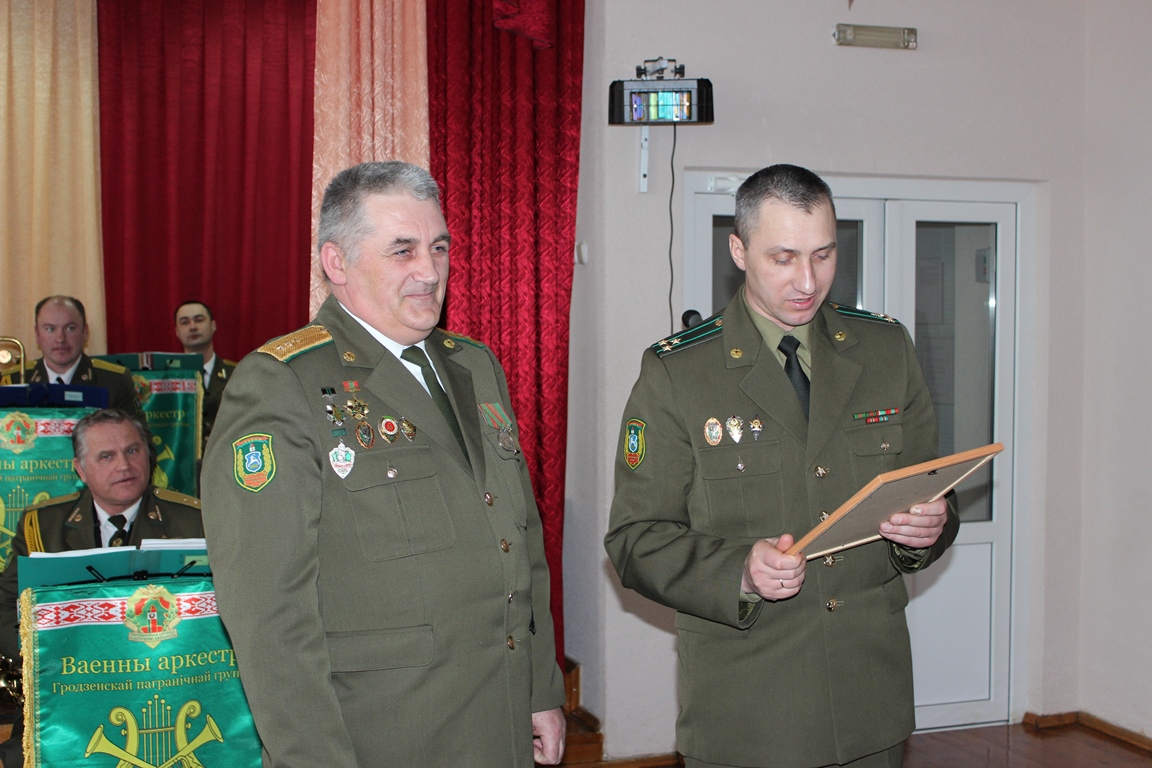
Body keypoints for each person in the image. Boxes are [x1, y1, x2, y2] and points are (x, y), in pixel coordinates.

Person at [200, 161, 565, 768]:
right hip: (384, 735)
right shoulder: (283, 383)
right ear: (337, 263)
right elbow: (269, 616)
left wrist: (539, 689)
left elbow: (522, 539)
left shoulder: (474, 365)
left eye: (438, 247)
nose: (430, 271)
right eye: (403, 251)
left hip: (498, 720)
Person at [604, 164, 959, 768]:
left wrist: (930, 528)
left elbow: (931, 489)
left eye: (823, 255)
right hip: (749, 709)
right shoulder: (678, 373)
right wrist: (738, 571)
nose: (808, 281)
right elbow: (635, 541)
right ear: (739, 251)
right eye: (783, 258)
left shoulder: (884, 349)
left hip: (868, 699)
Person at [0, 408, 203, 768]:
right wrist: (41, 657)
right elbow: (5, 605)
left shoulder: (194, 520)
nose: (124, 465)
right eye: (106, 456)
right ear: (80, 469)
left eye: (132, 450)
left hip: (169, 685)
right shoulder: (42, 526)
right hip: (69, 689)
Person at [0, 296, 138, 414]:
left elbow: (137, 435)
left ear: (85, 332)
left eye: (70, 328)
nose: (60, 339)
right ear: (37, 334)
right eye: (50, 329)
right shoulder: (13, 380)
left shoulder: (115, 382)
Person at [173, 300, 235, 448]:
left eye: (199, 320)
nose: (193, 327)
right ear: (177, 332)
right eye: (185, 322)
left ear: (213, 326)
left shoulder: (236, 374)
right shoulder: (167, 378)